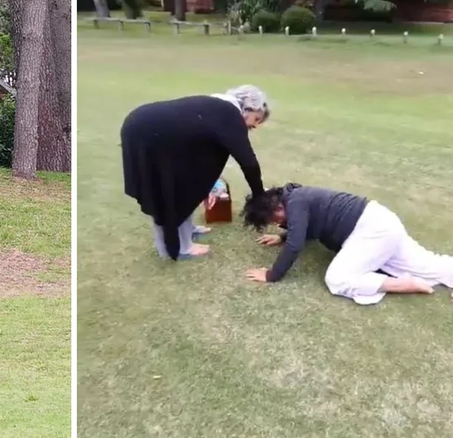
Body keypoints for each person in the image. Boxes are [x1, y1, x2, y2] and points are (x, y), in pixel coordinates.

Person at [120, 85, 270, 260]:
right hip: (146, 132)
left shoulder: (218, 107)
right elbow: (248, 162)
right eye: (256, 118)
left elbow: (202, 164)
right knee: (167, 189)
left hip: (146, 127)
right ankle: (179, 248)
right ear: (249, 107)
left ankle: (186, 230)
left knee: (188, 182)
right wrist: (259, 194)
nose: (255, 125)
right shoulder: (229, 114)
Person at [243, 183, 453, 304]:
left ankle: (403, 285)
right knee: (430, 265)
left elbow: (295, 245)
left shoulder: (295, 201)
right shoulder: (296, 197)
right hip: (382, 222)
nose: (277, 222)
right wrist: (281, 237)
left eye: (274, 217)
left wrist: (272, 275)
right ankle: (411, 280)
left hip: (372, 230)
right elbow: (303, 227)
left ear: (276, 204)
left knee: (337, 279)